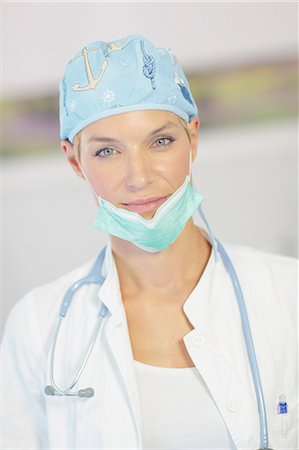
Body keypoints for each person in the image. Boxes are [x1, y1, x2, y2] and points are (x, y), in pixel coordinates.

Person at [1, 35, 297, 450]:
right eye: (107, 152)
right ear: (74, 161)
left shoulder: (287, 293)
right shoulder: (38, 325)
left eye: (160, 141)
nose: (139, 177)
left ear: (193, 138)